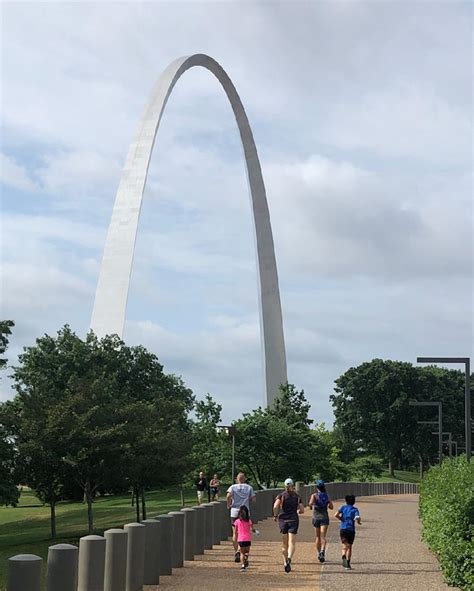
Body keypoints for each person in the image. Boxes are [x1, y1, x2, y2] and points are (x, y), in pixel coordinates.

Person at [273, 478, 305, 573]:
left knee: (284, 543)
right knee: (292, 542)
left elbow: (275, 506)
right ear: (293, 486)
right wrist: (297, 511)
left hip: (283, 520)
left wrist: (275, 515)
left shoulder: (281, 496)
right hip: (293, 519)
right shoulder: (297, 496)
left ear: (285, 486)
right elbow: (302, 510)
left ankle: (285, 561)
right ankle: (290, 558)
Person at [227, 472, 256, 563]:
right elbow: (253, 499)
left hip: (234, 512)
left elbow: (228, 495)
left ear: (237, 479)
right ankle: (241, 550)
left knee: (235, 533)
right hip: (245, 512)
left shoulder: (232, 487)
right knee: (244, 532)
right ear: (245, 479)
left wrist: (229, 504)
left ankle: (236, 551)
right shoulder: (249, 487)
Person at [308, 479, 334, 563]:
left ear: (317, 487)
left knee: (317, 536)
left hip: (316, 517)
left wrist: (311, 506)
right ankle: (323, 551)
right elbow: (331, 507)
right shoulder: (327, 495)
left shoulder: (314, 495)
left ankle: (319, 553)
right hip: (324, 517)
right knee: (323, 536)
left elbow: (310, 503)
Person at [334, 494, 361, 570]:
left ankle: (343, 555)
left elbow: (335, 515)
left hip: (343, 528)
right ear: (354, 502)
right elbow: (357, 518)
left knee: (344, 545)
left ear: (346, 501)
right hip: (351, 529)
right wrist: (358, 522)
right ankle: (348, 563)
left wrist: (341, 519)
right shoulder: (355, 509)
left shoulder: (343, 507)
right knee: (349, 546)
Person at [233, 505, 257, 571]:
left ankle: (243, 565)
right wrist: (255, 531)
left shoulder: (237, 521)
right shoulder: (249, 521)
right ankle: (246, 557)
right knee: (247, 552)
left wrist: (236, 537)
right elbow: (252, 529)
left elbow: (235, 531)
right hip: (247, 539)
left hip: (241, 539)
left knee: (242, 553)